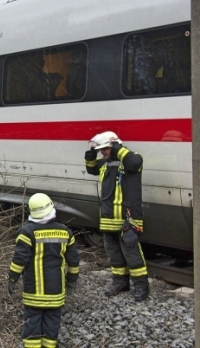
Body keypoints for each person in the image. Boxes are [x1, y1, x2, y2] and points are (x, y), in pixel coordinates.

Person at [8, 193, 80, 348]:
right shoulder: (65, 232)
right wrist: (72, 281)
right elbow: (74, 261)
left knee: (32, 322)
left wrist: (12, 278)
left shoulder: (27, 232)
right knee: (52, 322)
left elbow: (19, 260)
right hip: (56, 291)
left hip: (33, 291)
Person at [85, 131, 148, 301]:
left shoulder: (131, 160)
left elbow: (134, 163)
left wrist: (117, 148)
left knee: (132, 254)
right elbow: (91, 168)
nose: (102, 153)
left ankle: (141, 286)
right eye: (100, 150)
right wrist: (90, 155)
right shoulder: (105, 163)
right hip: (108, 219)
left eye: (104, 149)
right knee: (114, 254)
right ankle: (120, 282)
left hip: (128, 218)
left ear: (114, 146)